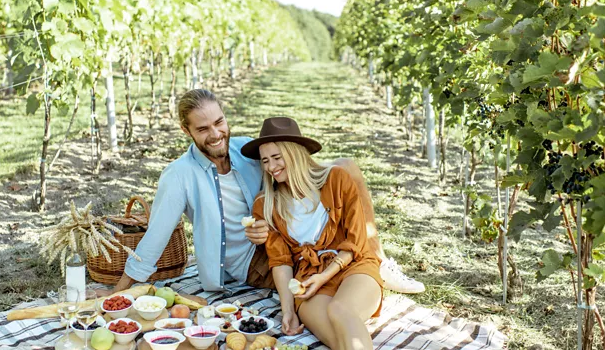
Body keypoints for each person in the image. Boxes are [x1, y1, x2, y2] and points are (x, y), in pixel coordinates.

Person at [104, 89, 423, 296]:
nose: (216, 135)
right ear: (186, 131)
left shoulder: (247, 149)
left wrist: (271, 224)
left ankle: (378, 260)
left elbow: (298, 168)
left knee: (346, 167)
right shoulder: (178, 176)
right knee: (331, 270)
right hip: (252, 262)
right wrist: (119, 292)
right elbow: (154, 239)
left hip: (286, 235)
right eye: (203, 129)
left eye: (219, 122)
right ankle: (362, 270)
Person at [242, 117, 412, 350]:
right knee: (336, 340)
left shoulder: (337, 180)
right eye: (265, 161)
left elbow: (357, 240)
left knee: (340, 311)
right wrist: (288, 310)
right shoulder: (266, 204)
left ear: (294, 153)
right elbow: (281, 261)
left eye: (276, 157)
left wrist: (327, 273)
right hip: (308, 278)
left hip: (352, 264)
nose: (271, 167)